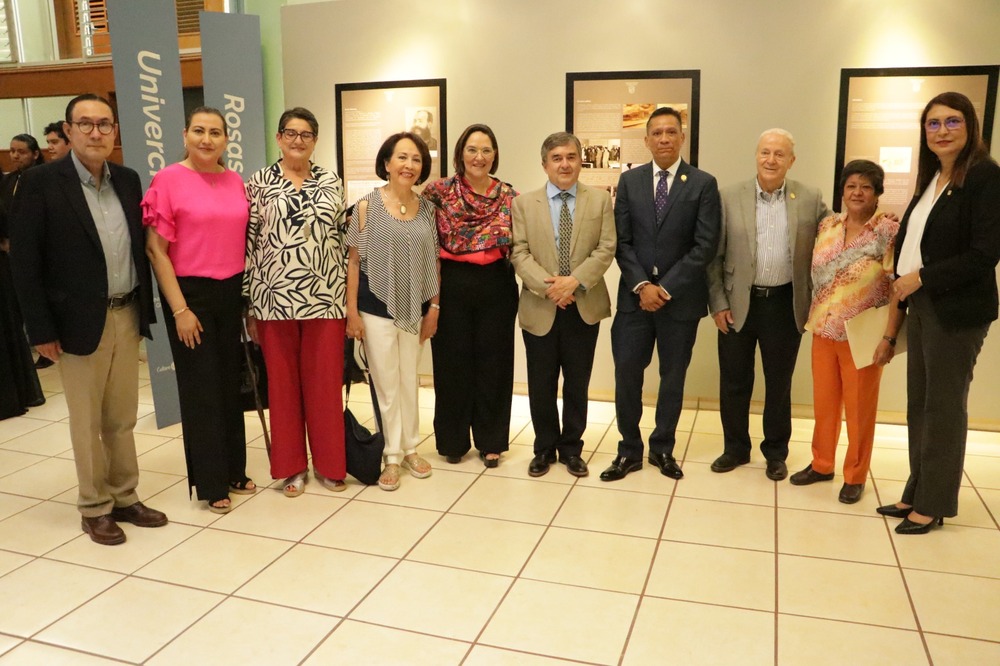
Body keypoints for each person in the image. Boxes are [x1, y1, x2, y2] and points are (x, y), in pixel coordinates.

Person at [9, 94, 167, 545]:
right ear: (70, 129)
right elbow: (25, 262)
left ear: (115, 131)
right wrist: (39, 330)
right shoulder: (40, 183)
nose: (95, 132)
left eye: (104, 124)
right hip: (75, 323)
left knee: (122, 417)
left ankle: (124, 495)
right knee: (86, 421)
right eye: (85, 124)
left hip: (126, 311)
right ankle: (94, 505)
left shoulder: (130, 180)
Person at [878, 92, 1000, 534]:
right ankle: (917, 490)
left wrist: (921, 278)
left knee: (944, 408)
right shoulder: (934, 177)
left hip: (958, 310)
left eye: (952, 122)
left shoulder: (985, 176)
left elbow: (985, 254)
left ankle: (934, 504)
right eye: (933, 124)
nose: (942, 131)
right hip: (923, 305)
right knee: (920, 405)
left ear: (969, 127)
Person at [143, 106, 254, 514]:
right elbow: (156, 251)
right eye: (199, 131)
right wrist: (179, 309)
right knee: (201, 389)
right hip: (190, 296)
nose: (207, 139)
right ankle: (210, 482)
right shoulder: (168, 180)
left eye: (216, 132)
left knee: (230, 383)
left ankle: (234, 469)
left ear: (227, 139)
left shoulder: (235, 180)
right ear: (185, 134)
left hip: (231, 293)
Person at [601, 107, 720, 482]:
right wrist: (642, 286)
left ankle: (662, 448)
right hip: (634, 301)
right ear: (647, 139)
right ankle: (629, 450)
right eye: (657, 133)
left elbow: (704, 246)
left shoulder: (702, 183)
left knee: (673, 377)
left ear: (682, 137)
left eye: (671, 132)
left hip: (678, 302)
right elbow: (621, 242)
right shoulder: (630, 181)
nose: (664, 139)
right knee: (627, 375)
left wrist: (664, 288)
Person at [707, 129, 830, 481]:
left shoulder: (809, 197)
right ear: (756, 156)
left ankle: (776, 453)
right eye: (765, 153)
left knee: (779, 383)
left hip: (785, 304)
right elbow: (713, 256)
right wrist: (717, 303)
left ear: (791, 160)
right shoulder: (729, 196)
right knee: (734, 380)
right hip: (736, 304)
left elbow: (836, 233)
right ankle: (735, 449)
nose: (771, 160)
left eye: (779, 154)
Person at [245, 107, 349, 496]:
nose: (297, 140)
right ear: (278, 138)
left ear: (315, 140)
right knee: (284, 388)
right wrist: (250, 305)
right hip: (273, 300)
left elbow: (342, 242)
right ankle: (291, 467)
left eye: (306, 134)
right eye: (290, 133)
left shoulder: (331, 183)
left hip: (325, 298)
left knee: (324, 386)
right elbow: (249, 246)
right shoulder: (258, 184)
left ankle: (330, 465)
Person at [791, 160, 902, 504]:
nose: (857, 192)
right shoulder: (827, 225)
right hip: (823, 328)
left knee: (859, 409)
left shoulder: (887, 232)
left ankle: (855, 474)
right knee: (824, 404)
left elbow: (897, 287)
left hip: (862, 334)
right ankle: (822, 463)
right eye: (852, 185)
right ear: (842, 190)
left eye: (866, 187)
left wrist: (889, 337)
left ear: (877, 193)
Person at [511, 131, 616, 478]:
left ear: (580, 160)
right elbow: (519, 252)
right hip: (541, 307)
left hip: (583, 305)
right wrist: (551, 288)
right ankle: (544, 449)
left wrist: (575, 281)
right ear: (545, 164)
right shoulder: (523, 203)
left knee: (577, 382)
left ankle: (572, 448)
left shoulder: (600, 201)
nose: (565, 164)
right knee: (540, 383)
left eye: (571, 156)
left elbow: (606, 248)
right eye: (556, 158)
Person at [346, 132, 439, 491]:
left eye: (415, 159)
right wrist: (351, 312)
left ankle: (411, 447)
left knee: (408, 380)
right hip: (374, 306)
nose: (409, 165)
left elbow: (432, 262)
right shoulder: (366, 206)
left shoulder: (427, 209)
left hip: (415, 306)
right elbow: (354, 263)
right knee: (385, 383)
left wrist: (433, 306)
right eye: (401, 158)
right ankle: (391, 455)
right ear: (386, 163)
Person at [422, 124, 518, 468]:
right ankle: (452, 440)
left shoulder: (509, 196)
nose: (479, 157)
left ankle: (492, 441)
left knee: (495, 364)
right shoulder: (437, 192)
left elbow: (521, 245)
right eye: (473, 149)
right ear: (460, 153)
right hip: (451, 284)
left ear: (495, 155)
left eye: (487, 150)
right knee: (451, 364)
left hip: (497, 285)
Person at [1, 134, 46, 419]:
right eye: (12, 151)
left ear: (35, 153)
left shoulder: (41, 179)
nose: (16, 156)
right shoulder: (6, 181)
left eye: (21, 151)